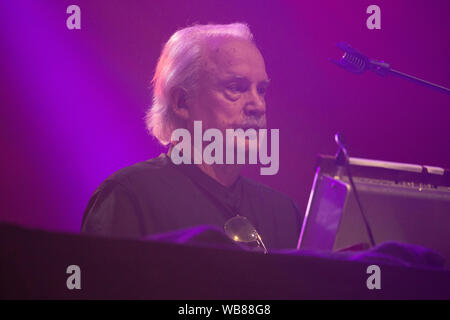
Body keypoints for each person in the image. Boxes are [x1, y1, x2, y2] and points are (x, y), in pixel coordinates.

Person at [81, 23, 302, 250]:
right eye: (236, 87)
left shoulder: (285, 214)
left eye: (262, 90)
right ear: (181, 102)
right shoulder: (129, 197)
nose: (258, 105)